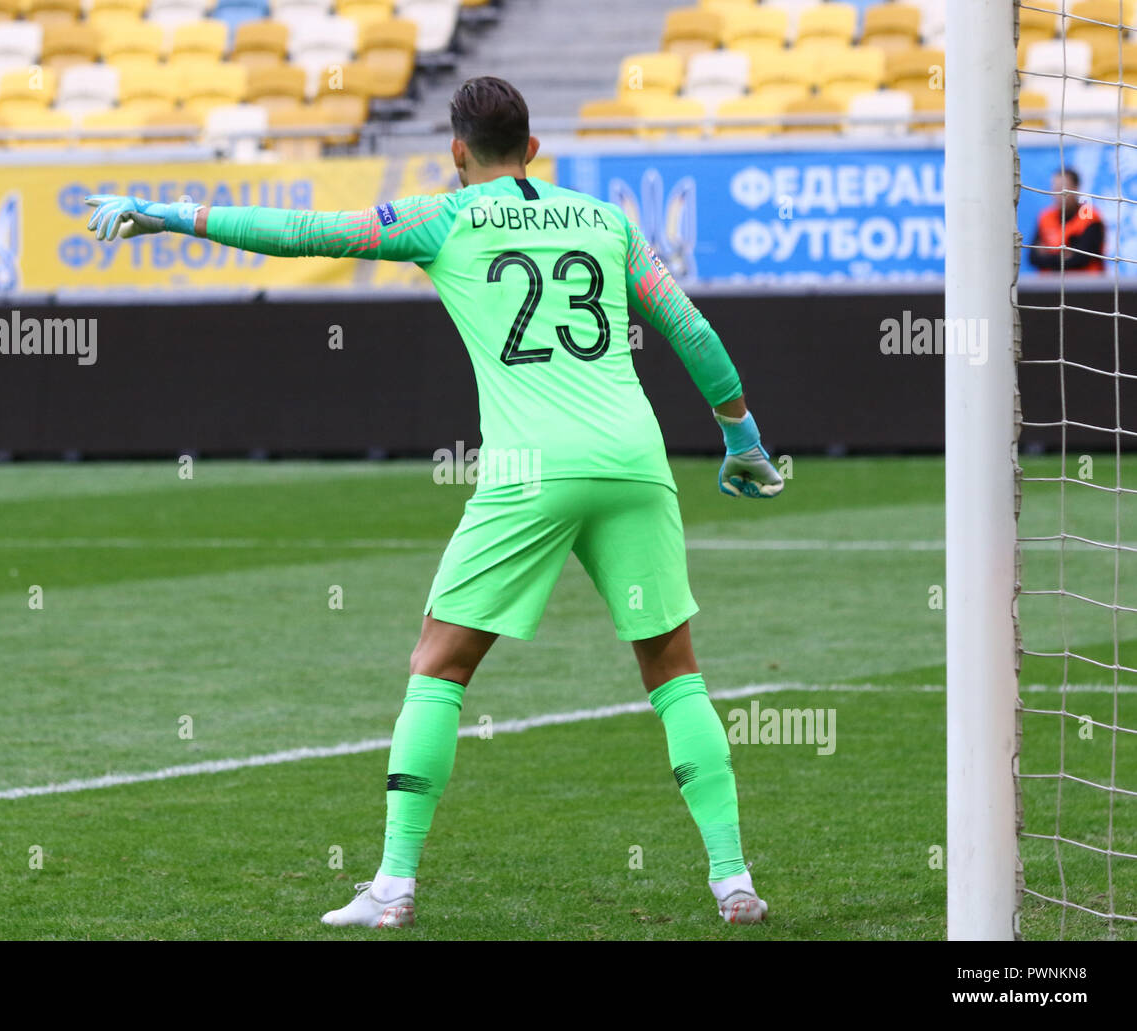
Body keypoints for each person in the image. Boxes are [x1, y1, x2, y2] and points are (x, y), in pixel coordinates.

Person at [84, 76, 783, 930]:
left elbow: (305, 232)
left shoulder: (441, 218)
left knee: (439, 663)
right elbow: (692, 331)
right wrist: (742, 436)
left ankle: (393, 885)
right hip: (635, 459)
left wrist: (169, 213)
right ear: (534, 149)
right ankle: (733, 879)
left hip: (530, 469)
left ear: (457, 153)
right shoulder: (608, 222)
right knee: (674, 669)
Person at [1028, 168, 1106, 272]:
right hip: (1049, 285)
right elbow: (1033, 257)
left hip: (1085, 285)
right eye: (1055, 189)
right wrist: (1064, 256)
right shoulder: (1045, 217)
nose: (1058, 194)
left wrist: (1048, 254)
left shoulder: (1090, 217)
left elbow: (1081, 259)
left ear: (1076, 189)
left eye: (1063, 189)